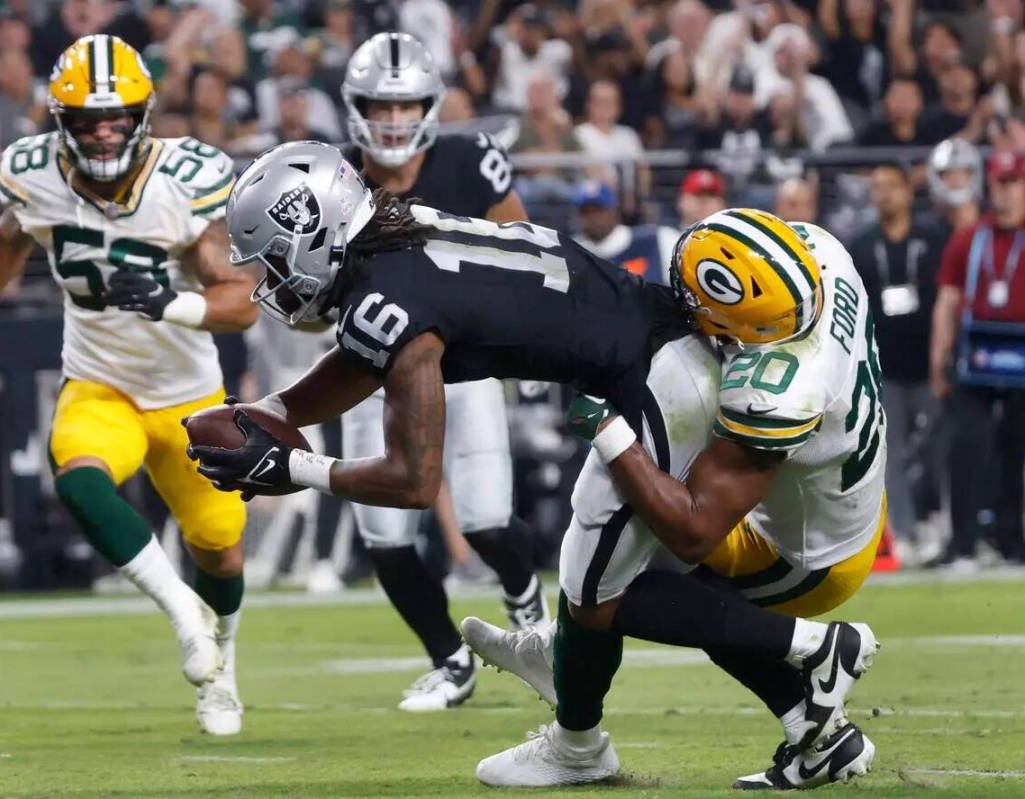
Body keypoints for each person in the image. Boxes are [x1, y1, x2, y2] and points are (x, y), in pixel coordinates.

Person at [191, 143, 877, 785]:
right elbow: (369, 356)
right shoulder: (399, 230)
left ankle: (801, 650)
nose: (271, 281)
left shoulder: (384, 298)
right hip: (641, 356)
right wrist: (278, 409)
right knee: (609, 578)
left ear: (317, 235)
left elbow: (413, 479)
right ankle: (812, 726)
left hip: (655, 386)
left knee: (598, 591)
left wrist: (294, 467)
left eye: (275, 259)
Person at [465, 211, 886, 788]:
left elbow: (694, 529)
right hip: (843, 495)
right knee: (620, 560)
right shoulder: (823, 252)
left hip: (809, 556)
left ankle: (815, 645)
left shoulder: (776, 393)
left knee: (612, 577)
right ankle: (820, 737)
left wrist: (609, 432)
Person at [0, 35, 256, 736]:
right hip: (99, 381)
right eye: (88, 117)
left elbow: (241, 297)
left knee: (221, 544)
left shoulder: (187, 179)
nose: (105, 128)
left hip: (188, 394)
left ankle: (223, 666)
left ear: (143, 113)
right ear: (62, 119)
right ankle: (183, 614)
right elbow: (6, 238)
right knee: (78, 479)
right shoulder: (35, 176)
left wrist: (165, 300)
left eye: (118, 115)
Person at [337, 32, 547, 712]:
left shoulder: (467, 161)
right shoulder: (330, 179)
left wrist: (527, 342)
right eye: (380, 106)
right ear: (356, 107)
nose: (393, 121)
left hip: (465, 366)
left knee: (486, 518)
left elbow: (525, 253)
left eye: (406, 107)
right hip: (371, 371)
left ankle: (525, 601)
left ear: (429, 107)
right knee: (386, 537)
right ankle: (449, 660)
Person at [930, 149, 1025, 567]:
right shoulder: (969, 239)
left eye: (1012, 184)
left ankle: (1013, 542)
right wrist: (938, 362)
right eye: (997, 185)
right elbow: (947, 302)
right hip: (975, 363)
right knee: (967, 448)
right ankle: (963, 543)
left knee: (1015, 453)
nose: (1002, 195)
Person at [851, 162, 947, 564]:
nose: (885, 193)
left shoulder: (933, 237)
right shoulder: (861, 243)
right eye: (877, 186)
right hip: (886, 369)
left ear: (909, 190)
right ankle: (903, 534)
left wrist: (944, 358)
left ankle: (942, 526)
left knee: (938, 450)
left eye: (892, 185)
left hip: (930, 366)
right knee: (889, 454)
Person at [571, 180, 672, 284]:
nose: (593, 217)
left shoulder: (658, 238)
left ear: (614, 210)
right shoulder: (571, 252)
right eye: (585, 212)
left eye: (599, 210)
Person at [927, 137, 983, 233]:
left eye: (962, 172)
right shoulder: (928, 229)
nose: (956, 179)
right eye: (948, 173)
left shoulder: (992, 224)